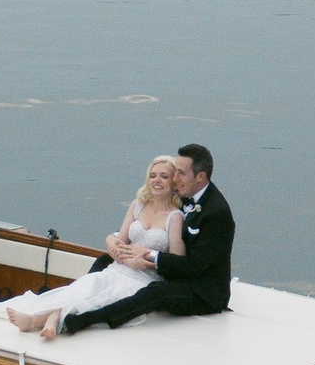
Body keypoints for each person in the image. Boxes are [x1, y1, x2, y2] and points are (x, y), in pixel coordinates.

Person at [44, 143, 234, 339]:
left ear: (200, 177)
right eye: (175, 172)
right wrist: (114, 239)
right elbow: (154, 219)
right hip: (176, 269)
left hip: (202, 290)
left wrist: (145, 254)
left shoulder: (217, 212)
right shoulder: (185, 194)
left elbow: (196, 266)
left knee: (156, 292)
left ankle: (82, 320)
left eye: (181, 174)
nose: (176, 179)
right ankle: (74, 300)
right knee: (104, 261)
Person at [5, 155, 185, 339]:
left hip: (142, 279)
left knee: (101, 301)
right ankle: (46, 317)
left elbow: (176, 262)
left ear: (174, 182)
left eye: (164, 176)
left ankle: (40, 320)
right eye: (153, 175)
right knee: (86, 286)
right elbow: (120, 241)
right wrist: (119, 251)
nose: (157, 180)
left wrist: (147, 261)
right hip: (118, 269)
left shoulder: (175, 217)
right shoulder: (137, 205)